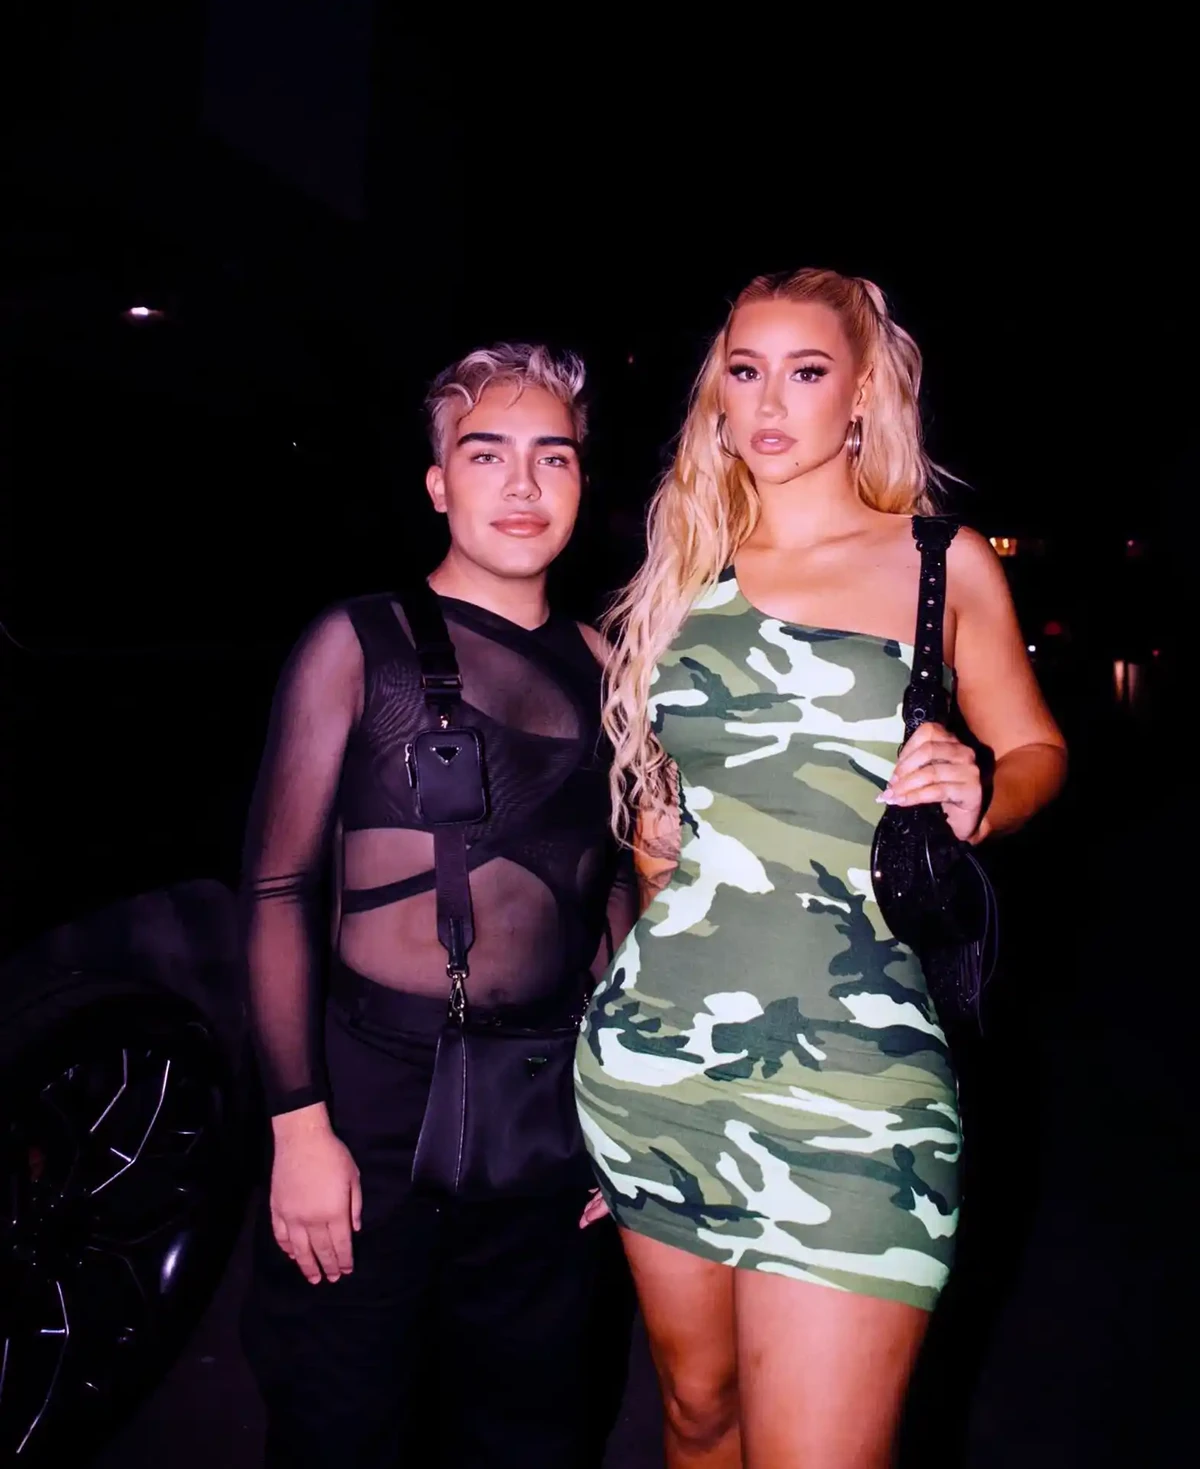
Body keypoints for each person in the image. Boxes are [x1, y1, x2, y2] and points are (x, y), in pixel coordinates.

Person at [575, 268, 1068, 1468]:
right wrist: (626, 1028)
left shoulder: (939, 561)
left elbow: (1038, 747)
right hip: (656, 1062)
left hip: (863, 1076)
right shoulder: (688, 565)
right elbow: (659, 833)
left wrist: (983, 790)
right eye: (744, 371)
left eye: (805, 372)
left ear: (861, 395)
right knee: (697, 1417)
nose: (768, 401)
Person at [240, 343, 636, 1469]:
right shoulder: (359, 641)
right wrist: (297, 1124)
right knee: (340, 1417)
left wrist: (614, 1107)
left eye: (552, 456)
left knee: (530, 1420)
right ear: (437, 483)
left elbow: (611, 885)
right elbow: (277, 887)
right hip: (372, 1096)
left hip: (546, 1095)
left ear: (580, 481)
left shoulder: (608, 662)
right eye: (487, 454)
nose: (522, 485)